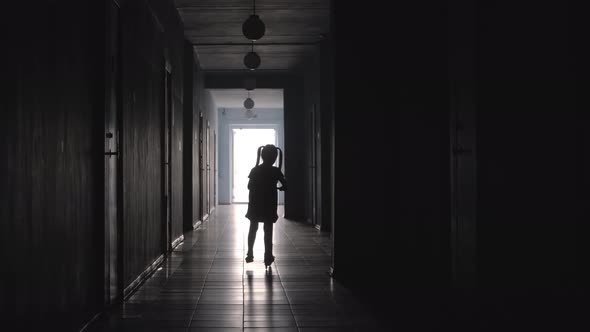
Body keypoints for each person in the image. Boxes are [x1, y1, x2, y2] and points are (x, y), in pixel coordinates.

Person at [245, 144, 287, 267]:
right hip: (269, 203)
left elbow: (249, 186)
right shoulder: (275, 171)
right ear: (274, 157)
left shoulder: (255, 170)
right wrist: (280, 187)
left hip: (255, 203)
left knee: (253, 227)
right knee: (268, 230)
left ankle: (250, 253)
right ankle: (268, 255)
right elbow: (285, 184)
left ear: (262, 156)